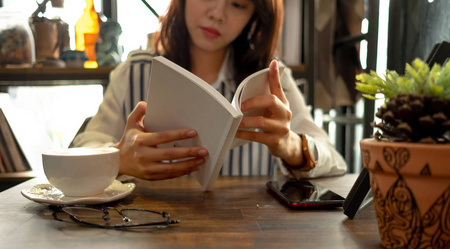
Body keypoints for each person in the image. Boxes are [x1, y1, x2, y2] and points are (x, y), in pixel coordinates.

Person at [72, 0, 347, 182]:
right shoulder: (134, 71)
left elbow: (334, 161)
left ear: (254, 16)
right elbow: (82, 150)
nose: (217, 14)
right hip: (147, 233)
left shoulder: (270, 80)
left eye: (238, 4)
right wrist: (119, 159)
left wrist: (290, 145)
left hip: (246, 238)